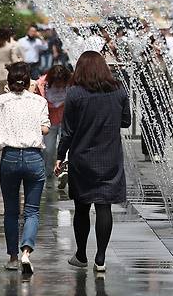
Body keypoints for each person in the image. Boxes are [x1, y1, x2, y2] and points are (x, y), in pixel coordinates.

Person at [55, 51, 131, 272]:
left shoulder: (75, 94)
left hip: (83, 157)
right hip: (110, 157)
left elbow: (67, 131)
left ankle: (80, 255)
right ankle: (101, 257)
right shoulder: (118, 91)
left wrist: (60, 156)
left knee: (82, 207)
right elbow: (126, 121)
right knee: (104, 205)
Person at [0, 62, 50, 273]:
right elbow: (45, 129)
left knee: (11, 211)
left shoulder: (0, 101)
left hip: (10, 157)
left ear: (8, 82)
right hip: (34, 158)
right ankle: (26, 252)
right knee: (32, 211)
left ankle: (13, 258)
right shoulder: (38, 101)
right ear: (28, 81)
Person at [34, 65, 72, 178]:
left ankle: (65, 171)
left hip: (67, 120)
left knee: (68, 147)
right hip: (49, 120)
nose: (60, 85)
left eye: (62, 82)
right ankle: (48, 174)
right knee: (48, 150)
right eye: (57, 82)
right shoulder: (41, 84)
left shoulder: (72, 83)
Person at [0, 26, 23, 96]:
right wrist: (20, 60)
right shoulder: (10, 46)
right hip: (7, 72)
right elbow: (14, 61)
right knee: (8, 95)